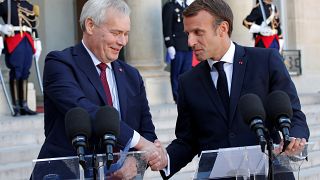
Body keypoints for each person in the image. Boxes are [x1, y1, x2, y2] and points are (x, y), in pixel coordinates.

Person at [150, 0, 309, 179]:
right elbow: (188, 140)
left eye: (198, 33)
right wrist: (166, 159)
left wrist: (295, 138)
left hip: (270, 173)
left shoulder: (265, 60)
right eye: (188, 33)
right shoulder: (188, 81)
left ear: (222, 29)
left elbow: (293, 114)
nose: (190, 41)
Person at [34, 0, 162, 179]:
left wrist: (135, 162)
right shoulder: (60, 63)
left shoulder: (132, 76)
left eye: (126, 34)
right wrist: (140, 142)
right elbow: (85, 110)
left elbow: (147, 131)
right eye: (116, 33)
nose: (123, 41)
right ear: (90, 25)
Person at [0, 0, 41, 116]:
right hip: (14, 39)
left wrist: (37, 42)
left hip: (27, 40)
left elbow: (33, 26)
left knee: (25, 71)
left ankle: (24, 105)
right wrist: (1, 28)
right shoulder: (6, 4)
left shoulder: (29, 6)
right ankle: (16, 105)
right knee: (16, 70)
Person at [162, 0, 193, 103]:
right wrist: (169, 45)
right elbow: (167, 27)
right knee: (176, 73)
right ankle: (177, 97)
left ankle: (185, 96)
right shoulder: (170, 6)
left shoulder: (187, 7)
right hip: (177, 46)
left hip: (187, 45)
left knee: (187, 73)